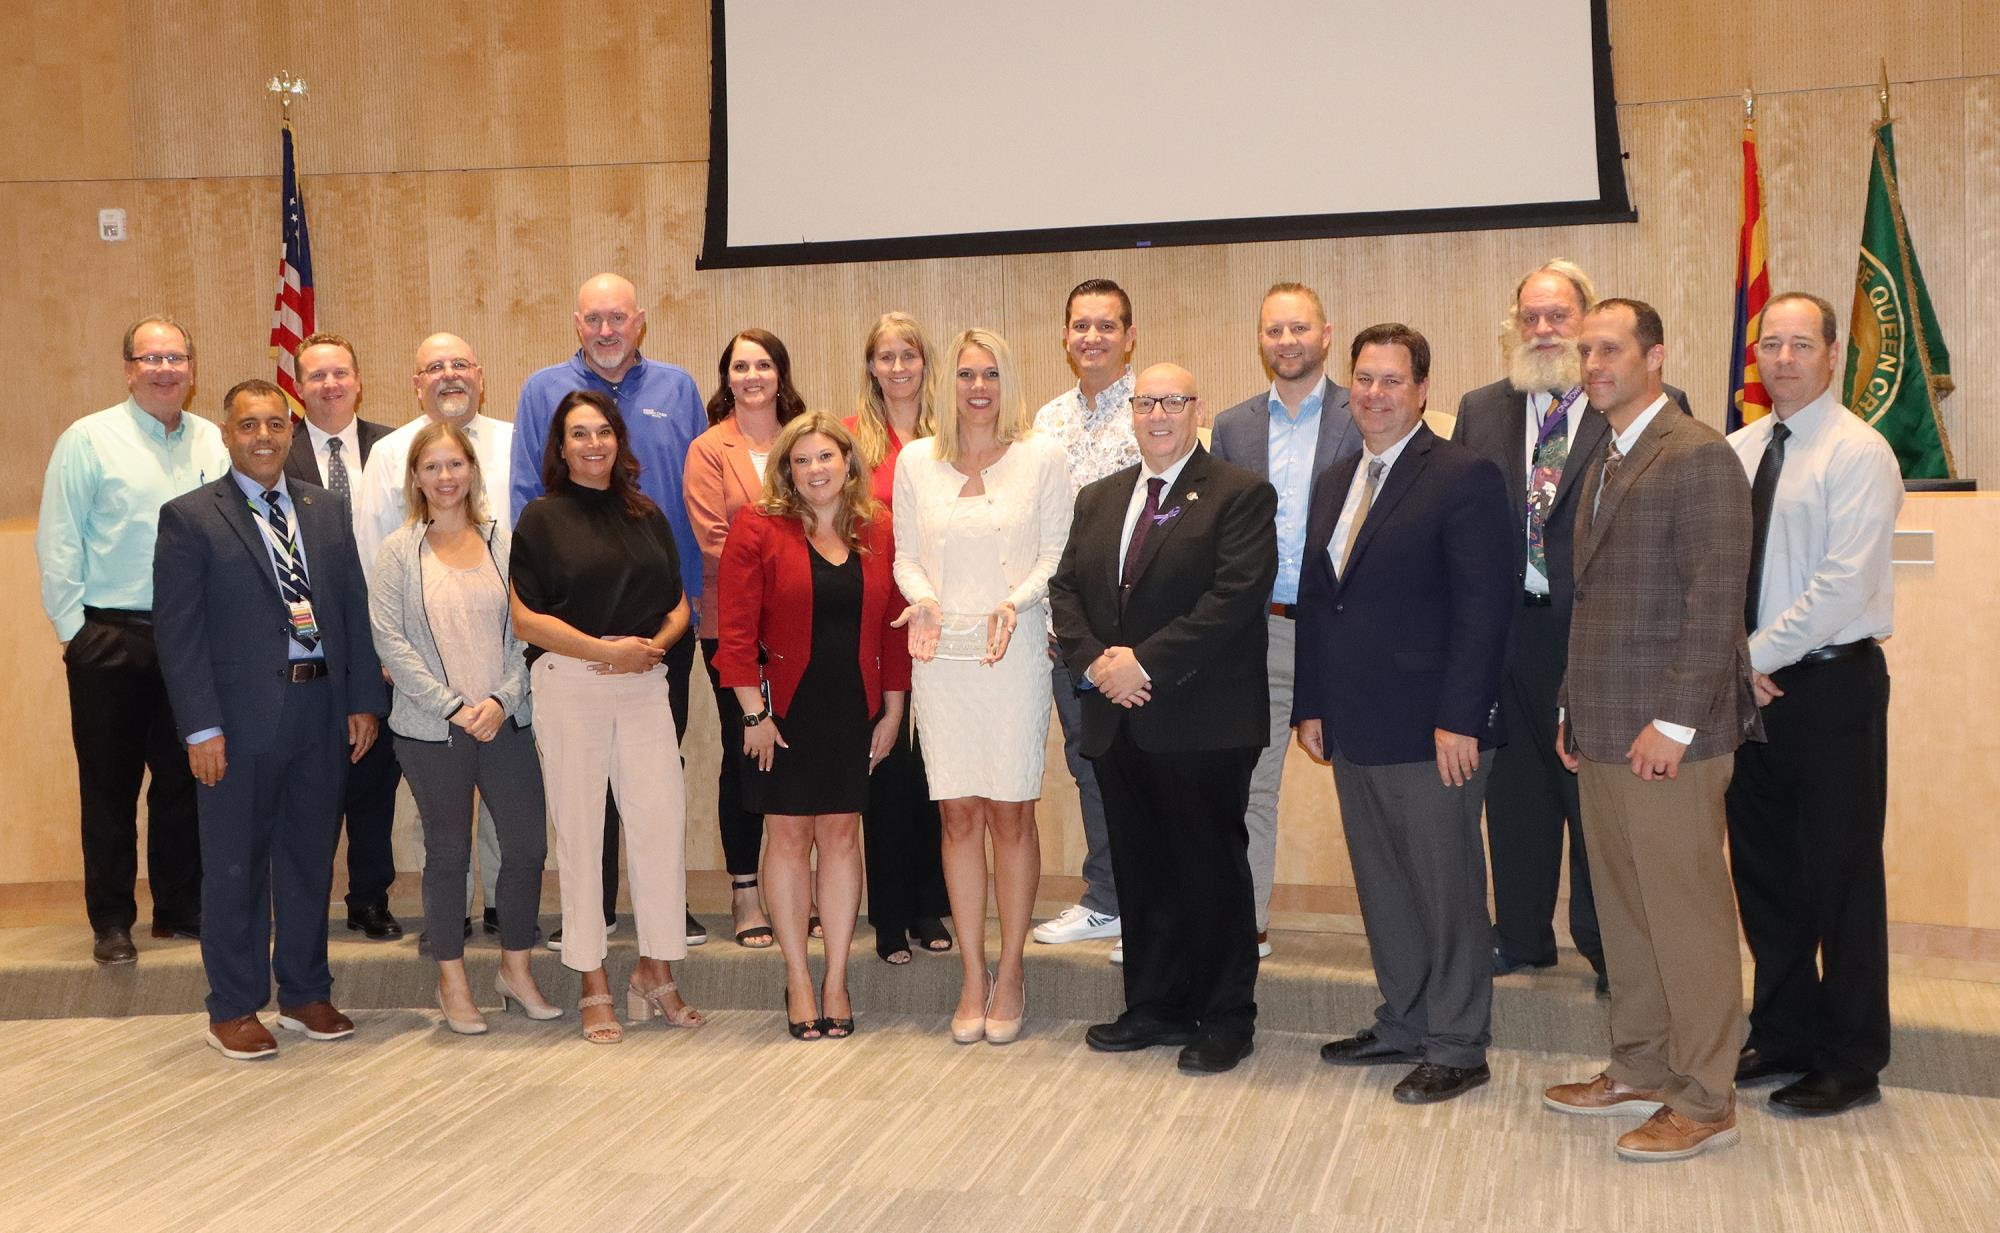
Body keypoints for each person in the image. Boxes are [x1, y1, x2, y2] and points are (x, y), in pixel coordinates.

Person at [1544, 298, 1759, 1161]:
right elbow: (1591, 599)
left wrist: (1673, 720)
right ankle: (1639, 1062)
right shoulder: (1602, 450)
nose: (1592, 364)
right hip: (1601, 723)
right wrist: (1568, 704)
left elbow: (1715, 602)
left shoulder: (1698, 453)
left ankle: (1706, 1097)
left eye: (1609, 349)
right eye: (1584, 351)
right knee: (1627, 911)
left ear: (1656, 356)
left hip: (1671, 734)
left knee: (1687, 916)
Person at [1452, 261, 1693, 994]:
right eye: (1532, 316)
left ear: (1588, 323)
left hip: (1598, 637)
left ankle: (1606, 943)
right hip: (1510, 633)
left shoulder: (1646, 404)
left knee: (1595, 794)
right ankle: (1521, 935)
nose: (1546, 329)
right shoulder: (1481, 407)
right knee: (1515, 792)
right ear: (1513, 326)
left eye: (1560, 316)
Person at [1293, 325, 1517, 1103]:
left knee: (1446, 885)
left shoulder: (1464, 475)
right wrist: (1311, 703)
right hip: (1356, 723)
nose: (1376, 394)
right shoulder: (1336, 478)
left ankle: (1458, 1044)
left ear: (1423, 390)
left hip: (1436, 731)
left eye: (1393, 381)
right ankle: (1404, 1020)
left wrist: (1462, 716)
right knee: (1385, 883)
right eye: (1364, 379)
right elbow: (1322, 601)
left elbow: (1485, 609)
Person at [1050, 363, 1278, 1075]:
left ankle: (1225, 1017)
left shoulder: (1239, 494)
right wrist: (1095, 664)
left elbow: (1233, 598)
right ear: (1132, 412)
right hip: (1119, 721)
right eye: (1146, 401)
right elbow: (1065, 589)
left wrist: (1138, 663)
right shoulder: (1099, 498)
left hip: (1202, 718)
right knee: (1143, 869)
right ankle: (1153, 1004)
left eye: (1172, 401)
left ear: (1195, 409)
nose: (1157, 413)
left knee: (1209, 870)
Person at [152, 380, 386, 1060]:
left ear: (292, 432)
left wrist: (363, 699)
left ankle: (306, 990)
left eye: (275, 424)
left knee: (310, 857)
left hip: (321, 710)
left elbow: (350, 605)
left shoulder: (324, 508)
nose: (263, 436)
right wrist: (200, 728)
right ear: (225, 433)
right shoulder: (191, 517)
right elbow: (180, 635)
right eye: (248, 424)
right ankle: (233, 1004)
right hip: (237, 722)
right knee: (236, 865)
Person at [1725, 292, 1903, 1115]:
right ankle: (1785, 1029)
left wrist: (1750, 656)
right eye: (1772, 344)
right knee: (1765, 873)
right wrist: (1737, 659)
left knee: (1840, 876)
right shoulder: (1738, 448)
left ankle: (1852, 1056)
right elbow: (1720, 568)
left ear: (1833, 355)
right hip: (1752, 688)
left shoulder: (1858, 452)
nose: (1784, 358)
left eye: (1802, 344)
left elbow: (1842, 586)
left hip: (1830, 686)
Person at [512, 273, 710, 951]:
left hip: (659, 631)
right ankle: (587, 919)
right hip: (573, 635)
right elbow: (520, 498)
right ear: (576, 322)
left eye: (617, 317)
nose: (605, 329)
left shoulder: (678, 389)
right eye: (593, 318)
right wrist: (588, 641)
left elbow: (696, 490)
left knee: (657, 788)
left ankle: (662, 918)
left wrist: (663, 633)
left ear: (640, 321)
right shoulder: (541, 390)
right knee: (581, 797)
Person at [893, 327, 1071, 1044]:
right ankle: (972, 973)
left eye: (991, 373)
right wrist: (926, 601)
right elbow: (907, 557)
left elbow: (1056, 552)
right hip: (942, 656)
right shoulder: (915, 461)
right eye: (966, 373)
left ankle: (1012, 969)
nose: (977, 387)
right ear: (949, 382)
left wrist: (1016, 602)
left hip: (1014, 647)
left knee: (1011, 814)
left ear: (1007, 380)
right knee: (958, 813)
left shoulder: (1042, 457)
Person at [716, 413, 912, 1038]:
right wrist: (754, 714)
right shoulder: (758, 526)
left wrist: (894, 710)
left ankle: (836, 979)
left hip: (854, 707)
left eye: (825, 457)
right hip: (783, 712)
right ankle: (798, 976)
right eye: (801, 460)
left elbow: (894, 627)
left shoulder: (877, 528)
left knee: (842, 837)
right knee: (789, 838)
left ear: (849, 463)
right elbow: (737, 630)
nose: (814, 470)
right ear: (786, 469)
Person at [37, 316, 223, 965]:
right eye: (151, 358)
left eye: (176, 357)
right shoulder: (88, 439)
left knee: (184, 780)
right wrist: (75, 634)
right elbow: (58, 540)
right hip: (109, 635)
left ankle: (178, 908)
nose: (165, 369)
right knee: (109, 787)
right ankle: (112, 919)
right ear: (128, 368)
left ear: (192, 369)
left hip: (191, 637)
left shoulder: (214, 442)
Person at [370, 421, 557, 1034]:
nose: (445, 478)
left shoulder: (504, 542)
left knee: (527, 847)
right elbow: (391, 644)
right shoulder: (398, 551)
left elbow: (525, 633)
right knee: (449, 853)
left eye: (456, 465)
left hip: (506, 722)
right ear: (416, 478)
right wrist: (453, 706)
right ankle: (452, 980)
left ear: (473, 472)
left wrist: (501, 700)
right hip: (434, 730)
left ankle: (515, 970)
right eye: (433, 468)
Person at [1209, 283, 1362, 958]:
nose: (1287, 341)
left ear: (1326, 335)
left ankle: (1394, 931)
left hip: (1346, 630)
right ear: (1261, 338)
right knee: (1252, 785)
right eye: (1275, 330)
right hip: (1263, 629)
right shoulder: (1234, 425)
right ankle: (1249, 922)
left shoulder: (1364, 411)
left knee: (1369, 783)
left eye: (1299, 329)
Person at [355, 332, 514, 940]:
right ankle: (451, 912)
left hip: (501, 646)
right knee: (439, 808)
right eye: (434, 368)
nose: (449, 376)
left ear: (481, 375)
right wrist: (388, 647)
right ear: (416, 383)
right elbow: (372, 551)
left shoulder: (514, 439)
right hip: (422, 657)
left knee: (505, 784)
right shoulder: (391, 453)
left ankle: (502, 902)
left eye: (460, 365)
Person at [685, 328, 807, 948]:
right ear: (727, 377)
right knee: (744, 753)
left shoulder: (805, 438)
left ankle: (794, 885)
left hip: (806, 625)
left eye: (763, 365)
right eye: (740, 366)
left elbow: (828, 515)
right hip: (731, 626)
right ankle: (744, 891)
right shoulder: (710, 448)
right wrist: (789, 568)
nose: (752, 376)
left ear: (780, 374)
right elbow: (715, 541)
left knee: (799, 752)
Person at [1031, 280, 1140, 957]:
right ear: (1066, 336)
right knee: (1088, 765)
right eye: (1081, 325)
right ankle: (1108, 899)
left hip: (1134, 639)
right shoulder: (1045, 422)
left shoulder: (1156, 408)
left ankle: (1150, 901)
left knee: (1142, 769)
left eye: (1106, 325)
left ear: (1129, 336)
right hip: (1065, 635)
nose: (1092, 336)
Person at [287, 331, 404, 942]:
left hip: (383, 635)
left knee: (374, 777)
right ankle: (305, 901)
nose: (329, 385)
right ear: (299, 386)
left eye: (340, 373)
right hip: (307, 641)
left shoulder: (395, 446)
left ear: (359, 380)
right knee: (311, 782)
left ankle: (369, 897)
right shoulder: (277, 452)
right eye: (316, 376)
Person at [844, 313, 952, 965]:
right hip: (878, 624)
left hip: (942, 626)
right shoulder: (855, 441)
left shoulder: (951, 437)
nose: (898, 366)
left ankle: (928, 903)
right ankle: (888, 915)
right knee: (885, 772)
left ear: (924, 361)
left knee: (933, 775)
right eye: (885, 355)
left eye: (908, 353)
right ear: (872, 366)